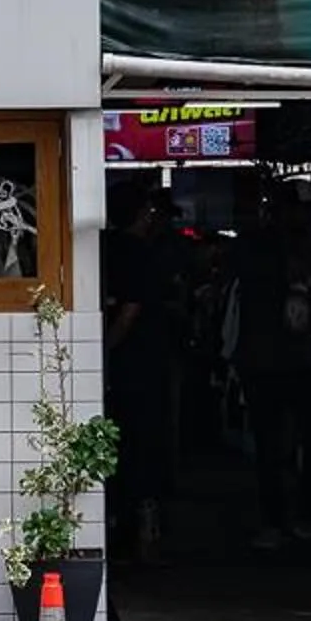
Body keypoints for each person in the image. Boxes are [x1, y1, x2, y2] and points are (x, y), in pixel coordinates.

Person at [229, 191, 311, 551]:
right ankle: (281, 520)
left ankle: (296, 519)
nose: (305, 218)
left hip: (292, 358)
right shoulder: (257, 248)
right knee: (277, 445)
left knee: (301, 442)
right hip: (270, 360)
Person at [102, 192, 180, 557]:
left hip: (125, 365)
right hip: (141, 364)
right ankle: (144, 527)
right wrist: (105, 349)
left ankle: (125, 523)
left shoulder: (105, 249)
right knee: (143, 442)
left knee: (122, 445)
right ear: (144, 214)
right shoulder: (140, 254)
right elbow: (130, 310)